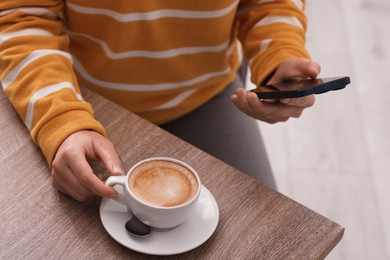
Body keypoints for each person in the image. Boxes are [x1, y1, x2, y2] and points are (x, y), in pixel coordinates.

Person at [0, 1, 320, 201]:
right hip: (85, 101)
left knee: (263, 233)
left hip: (207, 94)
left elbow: (269, 4)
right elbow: (22, 17)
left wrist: (279, 53)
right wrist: (62, 123)